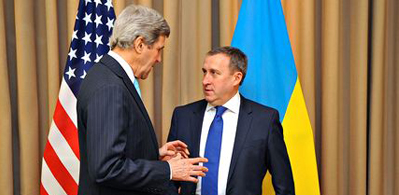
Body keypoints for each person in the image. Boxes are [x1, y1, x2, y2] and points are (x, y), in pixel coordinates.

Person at [77, 5, 208, 195]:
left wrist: (154, 154)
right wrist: (169, 170)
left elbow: (112, 150)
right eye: (158, 49)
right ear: (139, 44)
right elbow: (107, 168)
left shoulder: (108, 76)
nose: (159, 59)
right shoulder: (110, 87)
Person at [167, 46, 295, 195]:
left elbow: (284, 184)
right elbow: (170, 177)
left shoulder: (265, 120)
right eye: (204, 72)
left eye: (214, 73)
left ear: (236, 78)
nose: (205, 81)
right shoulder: (183, 116)